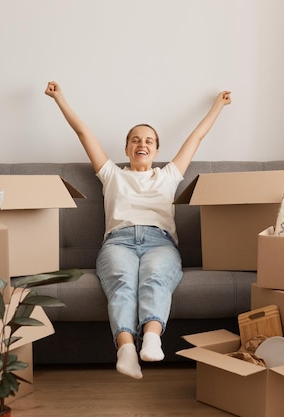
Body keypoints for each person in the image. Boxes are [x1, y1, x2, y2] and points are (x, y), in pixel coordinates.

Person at [44, 81, 231, 379]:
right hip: (118, 243)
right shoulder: (112, 175)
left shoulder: (169, 175)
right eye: (135, 140)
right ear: (126, 148)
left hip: (160, 243)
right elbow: (83, 133)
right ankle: (126, 349)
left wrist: (217, 106)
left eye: (148, 141)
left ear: (156, 149)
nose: (141, 144)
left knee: (155, 277)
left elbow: (197, 137)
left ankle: (153, 339)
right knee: (122, 282)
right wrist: (59, 98)